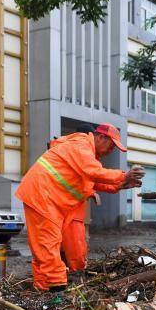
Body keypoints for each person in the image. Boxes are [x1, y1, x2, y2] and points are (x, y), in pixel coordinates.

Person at [17, 124, 143, 291]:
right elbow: (92, 172)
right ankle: (57, 290)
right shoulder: (81, 144)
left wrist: (120, 184)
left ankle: (43, 288)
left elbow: (91, 180)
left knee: (44, 247)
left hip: (48, 198)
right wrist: (123, 175)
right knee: (48, 244)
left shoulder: (87, 152)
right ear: (100, 137)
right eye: (112, 145)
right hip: (43, 195)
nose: (112, 150)